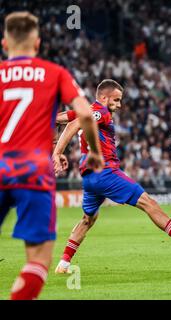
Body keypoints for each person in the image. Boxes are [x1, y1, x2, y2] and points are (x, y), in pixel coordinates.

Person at [52, 79, 171, 274]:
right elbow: (74, 124)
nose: (119, 105)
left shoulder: (89, 110)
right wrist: (57, 152)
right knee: (148, 203)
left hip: (89, 178)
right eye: (116, 100)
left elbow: (62, 119)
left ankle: (63, 265)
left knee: (88, 219)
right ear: (104, 98)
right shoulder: (101, 112)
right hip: (105, 172)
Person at [0, 11, 103, 300]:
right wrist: (95, 152)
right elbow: (84, 113)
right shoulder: (54, 72)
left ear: (5, 44)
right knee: (37, 261)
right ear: (37, 44)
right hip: (34, 169)